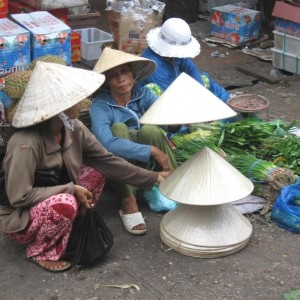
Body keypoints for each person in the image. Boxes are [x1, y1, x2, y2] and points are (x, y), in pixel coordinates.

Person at [0, 61, 170, 273]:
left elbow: (105, 160)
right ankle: (40, 251)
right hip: (22, 218)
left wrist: (153, 177)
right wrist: (70, 189)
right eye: (76, 98)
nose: (84, 101)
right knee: (65, 202)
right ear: (60, 105)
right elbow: (19, 196)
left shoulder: (73, 126)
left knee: (97, 173)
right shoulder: (26, 143)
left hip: (59, 195)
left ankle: (69, 227)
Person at [90, 48, 177, 235]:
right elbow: (107, 143)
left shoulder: (143, 94)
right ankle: (128, 201)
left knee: (150, 129)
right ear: (106, 81)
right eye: (113, 76)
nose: (121, 79)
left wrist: (177, 121)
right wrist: (151, 150)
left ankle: (175, 184)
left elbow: (165, 120)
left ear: (132, 74)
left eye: (125, 72)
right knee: (119, 128)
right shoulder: (100, 105)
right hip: (120, 168)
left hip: (148, 164)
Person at [140, 17, 230, 103]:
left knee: (203, 78)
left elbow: (191, 69)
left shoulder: (174, 56)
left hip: (174, 88)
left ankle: (228, 102)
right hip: (162, 100)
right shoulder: (153, 64)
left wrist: (202, 91)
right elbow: (168, 98)